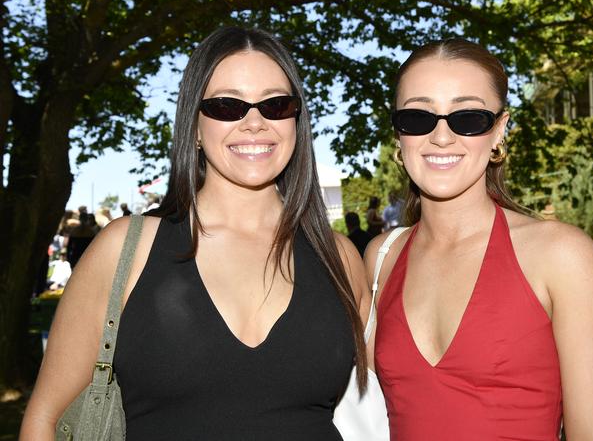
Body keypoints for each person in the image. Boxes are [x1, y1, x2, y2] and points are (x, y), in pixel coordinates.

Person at [21, 26, 369, 441]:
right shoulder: (126, 251)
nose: (254, 123)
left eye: (276, 105)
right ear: (195, 127)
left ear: (297, 120)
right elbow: (44, 419)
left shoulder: (340, 259)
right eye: (227, 106)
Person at [365, 39, 593, 440]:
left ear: (500, 130)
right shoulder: (380, 258)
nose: (440, 136)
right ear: (398, 134)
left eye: (468, 117)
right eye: (417, 117)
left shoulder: (561, 255)